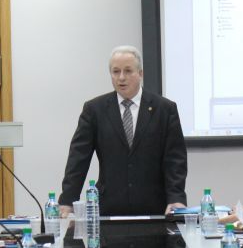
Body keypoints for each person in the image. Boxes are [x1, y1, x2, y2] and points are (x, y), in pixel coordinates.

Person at [59, 45, 187, 216]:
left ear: (140, 73)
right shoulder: (94, 110)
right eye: (116, 71)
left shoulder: (164, 109)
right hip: (109, 207)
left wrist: (176, 197)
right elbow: (78, 158)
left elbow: (175, 159)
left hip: (154, 206)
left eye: (128, 71)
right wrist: (68, 199)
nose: (121, 78)